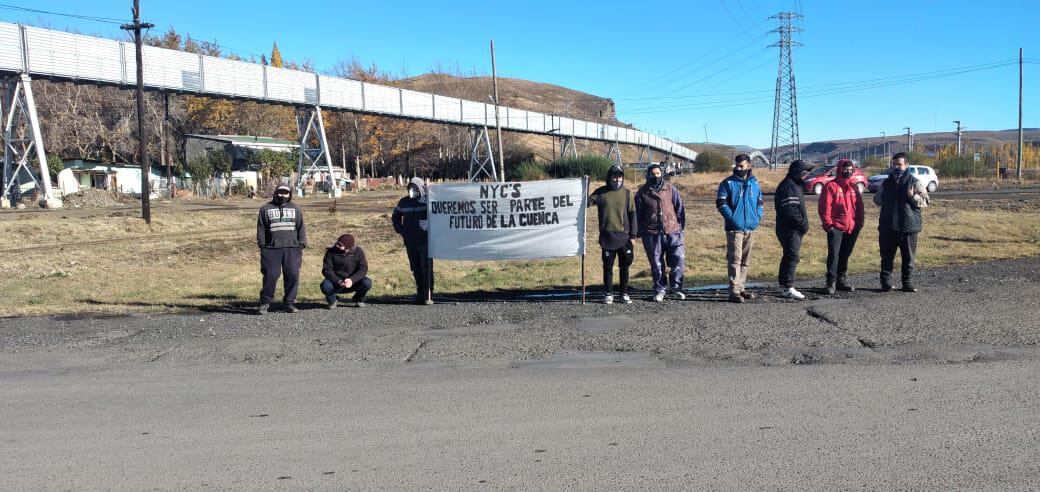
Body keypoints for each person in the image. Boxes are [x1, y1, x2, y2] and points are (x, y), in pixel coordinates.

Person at [873, 152, 929, 292]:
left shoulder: (914, 182)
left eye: (900, 164)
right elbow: (876, 199)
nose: (896, 167)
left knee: (908, 258)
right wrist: (884, 198)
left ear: (906, 165)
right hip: (888, 227)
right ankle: (886, 282)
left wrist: (912, 196)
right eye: (894, 164)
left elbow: (926, 201)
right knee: (886, 257)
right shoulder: (886, 182)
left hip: (908, 227)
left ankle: (907, 283)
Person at [716, 154, 764, 304]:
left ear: (749, 166)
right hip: (734, 228)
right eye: (736, 165)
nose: (738, 168)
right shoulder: (728, 183)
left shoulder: (754, 183)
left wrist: (757, 217)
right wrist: (733, 218)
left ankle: (741, 287)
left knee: (745, 260)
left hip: (751, 227)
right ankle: (734, 290)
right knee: (734, 259)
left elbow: (759, 202)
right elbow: (721, 203)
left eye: (741, 166)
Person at [635, 163, 686, 302]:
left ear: (661, 174)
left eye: (658, 173)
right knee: (656, 264)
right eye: (653, 174)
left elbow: (679, 208)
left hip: (673, 232)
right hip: (652, 233)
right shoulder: (642, 192)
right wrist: (639, 232)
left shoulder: (670, 188)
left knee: (678, 261)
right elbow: (638, 214)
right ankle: (660, 289)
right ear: (648, 175)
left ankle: (676, 288)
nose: (655, 176)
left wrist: (680, 227)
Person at [589, 165, 638, 304]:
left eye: (620, 176)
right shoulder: (600, 193)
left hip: (624, 238)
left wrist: (633, 236)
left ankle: (624, 293)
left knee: (625, 266)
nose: (617, 179)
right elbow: (586, 203)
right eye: (614, 176)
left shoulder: (628, 194)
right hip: (607, 238)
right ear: (609, 177)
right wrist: (582, 187)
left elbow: (633, 214)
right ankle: (608, 293)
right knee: (608, 267)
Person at [256, 183, 307, 314]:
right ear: (275, 193)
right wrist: (262, 245)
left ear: (289, 194)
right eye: (280, 192)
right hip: (271, 249)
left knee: (293, 275)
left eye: (285, 193)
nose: (282, 195)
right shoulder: (265, 208)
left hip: (292, 248)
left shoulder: (295, 208)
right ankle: (265, 302)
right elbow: (261, 228)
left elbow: (301, 227)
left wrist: (301, 244)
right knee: (270, 275)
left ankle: (289, 302)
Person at [819, 159, 865, 294]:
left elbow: (859, 207)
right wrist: (829, 226)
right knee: (834, 255)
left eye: (851, 169)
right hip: (836, 228)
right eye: (845, 169)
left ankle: (841, 280)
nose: (848, 171)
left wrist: (859, 224)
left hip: (852, 227)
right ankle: (831, 282)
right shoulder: (831, 186)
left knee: (845, 255)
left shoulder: (853, 186)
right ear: (840, 169)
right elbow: (824, 207)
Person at [774, 159, 814, 300]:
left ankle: (784, 285)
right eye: (804, 172)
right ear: (796, 172)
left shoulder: (795, 185)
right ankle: (788, 287)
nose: (806, 176)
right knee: (792, 256)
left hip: (793, 229)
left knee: (789, 255)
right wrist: (802, 224)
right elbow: (790, 211)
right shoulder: (788, 186)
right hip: (789, 229)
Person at [392, 177, 433, 304]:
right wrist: (401, 230)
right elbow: (395, 216)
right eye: (410, 188)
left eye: (414, 187)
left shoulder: (427, 200)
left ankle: (428, 294)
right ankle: (420, 292)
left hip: (425, 241)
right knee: (415, 268)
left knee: (426, 268)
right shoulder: (403, 202)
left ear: (420, 188)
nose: (411, 190)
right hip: (410, 241)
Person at [320, 233, 372, 309]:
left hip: (353, 282)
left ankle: (358, 299)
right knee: (325, 285)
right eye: (337, 242)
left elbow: (363, 268)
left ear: (347, 247)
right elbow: (326, 270)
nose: (336, 245)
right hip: (336, 282)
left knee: (367, 282)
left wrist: (352, 280)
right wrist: (339, 281)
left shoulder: (358, 251)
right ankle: (332, 301)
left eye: (340, 245)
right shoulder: (330, 252)